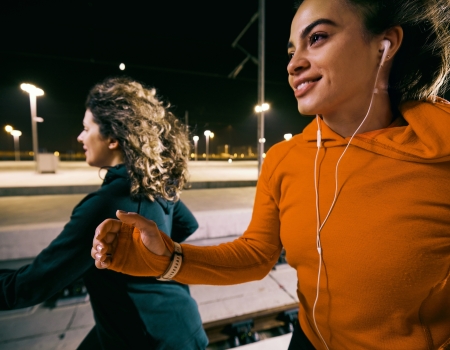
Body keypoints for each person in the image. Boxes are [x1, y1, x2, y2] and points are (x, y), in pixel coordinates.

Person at [92, 1, 450, 349]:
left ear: (384, 45)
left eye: (318, 37)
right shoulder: (283, 160)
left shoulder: (440, 158)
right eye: (291, 50)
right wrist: (167, 258)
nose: (294, 64)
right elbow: (256, 255)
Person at [0, 77, 208, 350]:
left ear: (112, 137)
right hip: (180, 324)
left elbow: (31, 285)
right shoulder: (154, 184)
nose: (80, 137)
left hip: (146, 338)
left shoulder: (105, 207)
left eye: (86, 128)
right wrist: (144, 265)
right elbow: (186, 224)